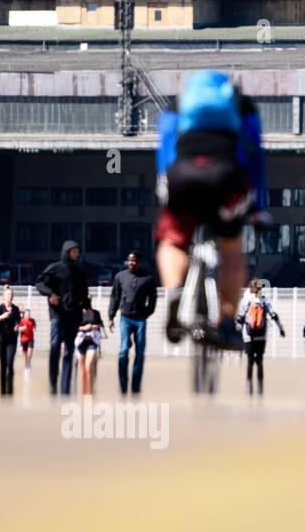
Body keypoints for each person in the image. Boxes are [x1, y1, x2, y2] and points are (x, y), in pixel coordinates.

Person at [155, 69, 268, 350]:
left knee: (173, 241)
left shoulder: (177, 105)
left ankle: (174, 295)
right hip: (226, 178)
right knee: (231, 246)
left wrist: (163, 185)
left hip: (182, 176)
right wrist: (259, 208)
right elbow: (255, 154)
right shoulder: (242, 105)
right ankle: (228, 323)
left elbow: (165, 147)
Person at [35, 239, 88, 396]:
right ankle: (53, 383)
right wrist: (51, 294)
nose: (76, 254)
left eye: (78, 252)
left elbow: (83, 291)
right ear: (66, 252)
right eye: (74, 251)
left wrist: (88, 307)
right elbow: (40, 283)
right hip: (58, 314)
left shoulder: (79, 270)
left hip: (74, 314)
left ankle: (65, 389)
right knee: (54, 346)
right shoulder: (55, 268)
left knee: (69, 351)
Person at [107, 250, 158, 395]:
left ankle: (135, 387)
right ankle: (123, 386)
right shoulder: (120, 276)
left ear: (139, 262)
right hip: (125, 319)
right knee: (123, 352)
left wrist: (147, 312)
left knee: (140, 353)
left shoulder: (148, 278)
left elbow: (153, 298)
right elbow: (115, 297)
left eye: (134, 260)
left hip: (140, 320)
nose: (132, 262)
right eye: (130, 260)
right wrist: (111, 316)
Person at [238, 280, 284, 395]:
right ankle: (260, 387)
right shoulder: (264, 299)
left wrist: (237, 332)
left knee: (249, 361)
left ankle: (248, 386)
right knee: (259, 360)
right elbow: (274, 315)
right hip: (261, 335)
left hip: (248, 335)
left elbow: (240, 318)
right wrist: (281, 329)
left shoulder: (246, 299)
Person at [0, 285, 22, 396]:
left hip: (12, 340)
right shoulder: (1, 308)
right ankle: (2, 387)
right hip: (1, 340)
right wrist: (1, 317)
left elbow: (19, 322)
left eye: (12, 295)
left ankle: (10, 386)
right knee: (3, 364)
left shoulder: (16, 309)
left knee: (10, 363)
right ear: (4, 296)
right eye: (8, 294)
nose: (10, 296)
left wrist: (18, 326)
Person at [75, 298, 106, 396]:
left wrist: (95, 326)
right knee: (82, 369)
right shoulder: (77, 313)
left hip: (92, 342)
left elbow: (100, 324)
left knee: (88, 366)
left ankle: (90, 391)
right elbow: (73, 326)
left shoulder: (96, 313)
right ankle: (83, 391)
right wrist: (83, 328)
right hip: (80, 342)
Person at [16, 308, 37, 375]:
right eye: (26, 314)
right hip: (24, 340)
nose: (28, 315)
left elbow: (34, 327)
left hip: (31, 339)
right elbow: (18, 329)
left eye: (29, 314)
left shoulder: (32, 320)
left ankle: (29, 365)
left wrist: (34, 329)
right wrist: (22, 329)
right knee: (25, 355)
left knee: (29, 353)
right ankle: (26, 367)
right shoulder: (21, 321)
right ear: (24, 314)